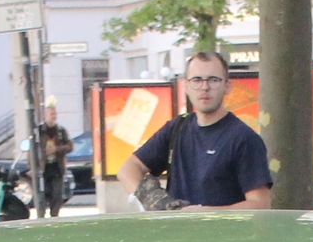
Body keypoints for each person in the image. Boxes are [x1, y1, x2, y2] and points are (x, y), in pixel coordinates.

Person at [117, 50, 274, 211]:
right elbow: (128, 169)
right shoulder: (176, 129)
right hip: (177, 234)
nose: (204, 87)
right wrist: (152, 200)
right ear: (186, 86)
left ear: (227, 86)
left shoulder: (244, 139)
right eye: (197, 80)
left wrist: (206, 214)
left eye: (213, 80)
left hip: (223, 235)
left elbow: (260, 205)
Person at [33, 106, 74, 219]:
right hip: (43, 168)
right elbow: (32, 150)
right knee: (42, 194)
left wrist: (57, 149)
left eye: (55, 113)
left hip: (57, 167)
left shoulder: (60, 131)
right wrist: (31, 167)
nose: (54, 116)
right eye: (51, 114)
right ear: (45, 115)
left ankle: (54, 216)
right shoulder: (39, 131)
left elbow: (69, 146)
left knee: (57, 195)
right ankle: (41, 216)